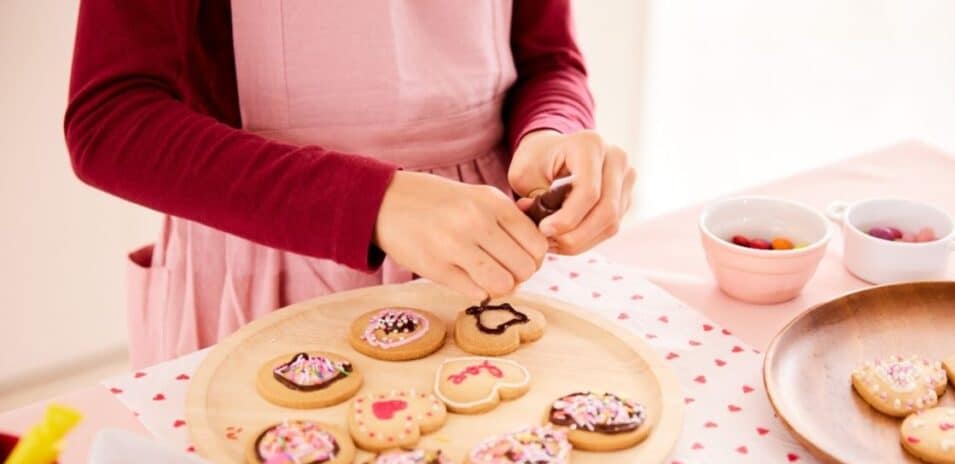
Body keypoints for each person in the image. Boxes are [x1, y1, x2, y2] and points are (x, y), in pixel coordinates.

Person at [65, 0, 635, 368]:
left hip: (491, 254)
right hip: (263, 260)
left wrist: (551, 133)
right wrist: (378, 201)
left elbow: (548, 62)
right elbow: (110, 122)